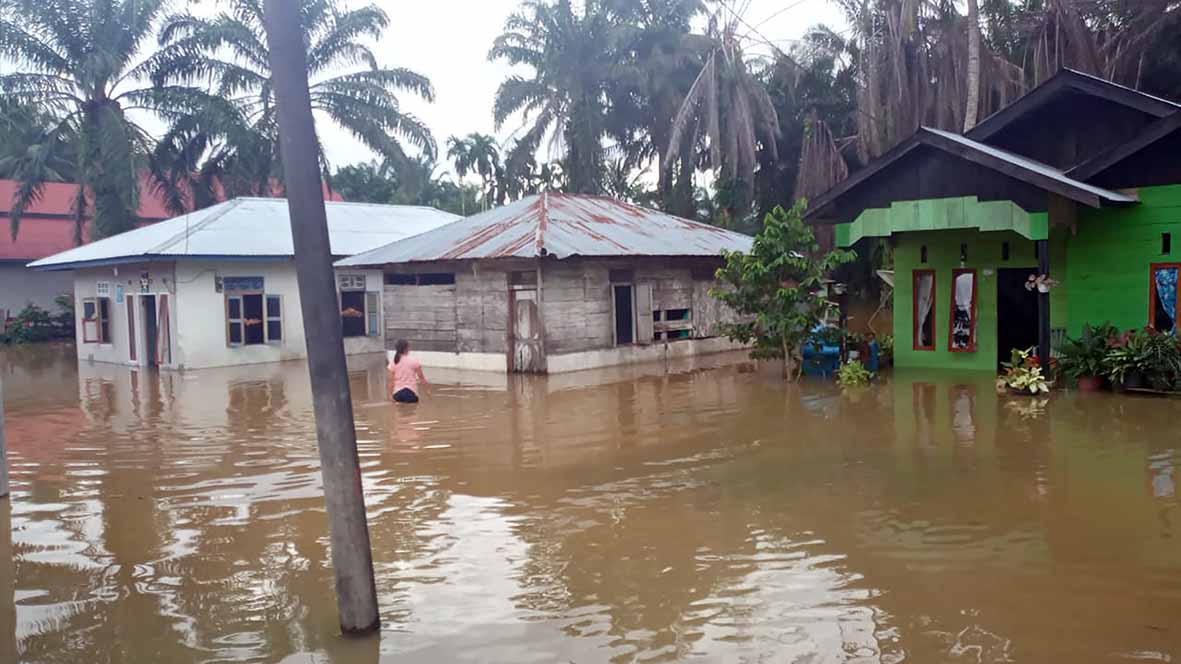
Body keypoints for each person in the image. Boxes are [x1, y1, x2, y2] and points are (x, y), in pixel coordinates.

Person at [388, 339, 428, 403]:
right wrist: (427, 391)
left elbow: (390, 381)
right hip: (411, 393)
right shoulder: (414, 361)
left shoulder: (393, 362)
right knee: (411, 411)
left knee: (399, 411)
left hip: (397, 394)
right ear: (407, 348)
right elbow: (421, 378)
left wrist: (390, 395)